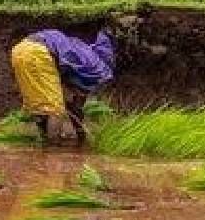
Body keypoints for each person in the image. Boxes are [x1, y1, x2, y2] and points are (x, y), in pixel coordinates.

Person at [9, 15, 134, 144]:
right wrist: (82, 135)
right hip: (38, 53)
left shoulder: (80, 52)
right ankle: (52, 151)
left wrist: (80, 132)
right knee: (55, 110)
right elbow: (76, 105)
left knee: (40, 105)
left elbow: (72, 103)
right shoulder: (97, 68)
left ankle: (45, 142)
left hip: (20, 50)